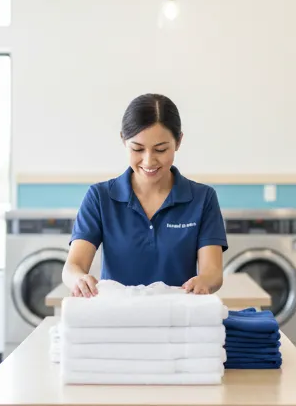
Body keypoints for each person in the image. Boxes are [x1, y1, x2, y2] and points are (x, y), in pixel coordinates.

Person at [62, 94, 227, 298]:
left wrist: (204, 281)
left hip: (177, 318)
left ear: (178, 142)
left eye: (161, 149)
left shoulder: (203, 198)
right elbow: (73, 266)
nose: (149, 161)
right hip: (118, 319)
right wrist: (79, 278)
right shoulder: (99, 197)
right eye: (138, 149)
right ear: (123, 140)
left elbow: (213, 273)